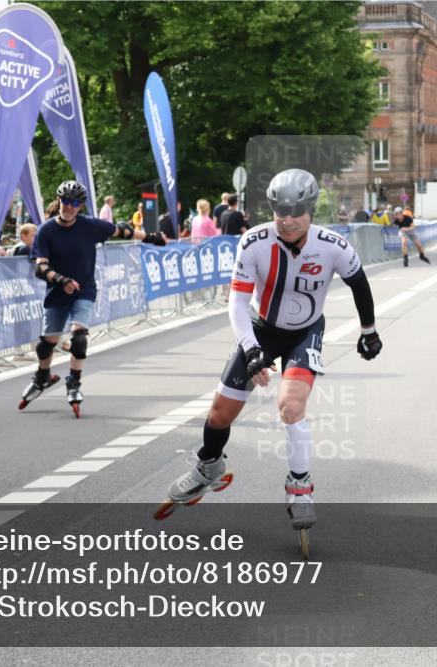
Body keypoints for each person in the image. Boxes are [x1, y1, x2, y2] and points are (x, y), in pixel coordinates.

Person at [156, 168, 382, 536]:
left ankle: (300, 487)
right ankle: (209, 465)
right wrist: (251, 351)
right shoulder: (254, 242)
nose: (288, 221)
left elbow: (359, 285)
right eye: (281, 213)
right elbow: (237, 303)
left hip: (305, 332)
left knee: (291, 406)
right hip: (260, 330)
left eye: (296, 213)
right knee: (218, 415)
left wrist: (369, 332)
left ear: (310, 210)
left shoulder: (333, 246)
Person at [19, 180, 166, 416]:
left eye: (75, 203)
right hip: (57, 292)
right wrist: (61, 280)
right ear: (59, 201)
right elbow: (40, 267)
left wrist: (151, 237)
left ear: (81, 205)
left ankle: (74, 383)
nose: (69, 207)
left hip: (84, 290)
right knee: (47, 344)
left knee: (79, 338)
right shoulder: (46, 230)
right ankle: (42, 377)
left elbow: (122, 230)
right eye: (66, 201)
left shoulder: (89, 226)